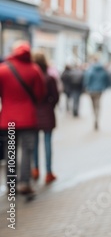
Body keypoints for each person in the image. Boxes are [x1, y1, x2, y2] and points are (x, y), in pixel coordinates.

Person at [0, 41, 46, 195]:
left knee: (10, 150)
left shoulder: (3, 70)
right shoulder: (34, 69)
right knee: (27, 150)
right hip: (28, 118)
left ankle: (11, 184)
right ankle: (24, 182)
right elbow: (40, 94)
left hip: (8, 119)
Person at [31, 51, 60, 184]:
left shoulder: (31, 77)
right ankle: (48, 172)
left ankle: (35, 169)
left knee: (35, 143)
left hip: (34, 114)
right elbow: (55, 96)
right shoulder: (49, 77)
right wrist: (50, 106)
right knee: (47, 143)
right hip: (47, 112)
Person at [84, 55, 111, 130]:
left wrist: (86, 87)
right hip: (99, 90)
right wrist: (105, 87)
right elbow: (107, 79)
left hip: (91, 90)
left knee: (93, 105)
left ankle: (95, 117)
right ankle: (96, 118)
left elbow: (87, 79)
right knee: (98, 105)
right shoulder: (102, 69)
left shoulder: (90, 69)